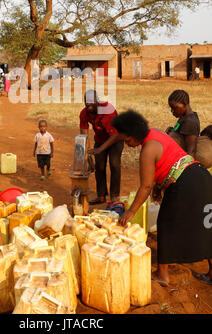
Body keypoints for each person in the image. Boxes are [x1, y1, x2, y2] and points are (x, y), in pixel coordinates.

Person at [113, 110, 212, 287]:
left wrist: (131, 211)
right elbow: (168, 159)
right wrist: (160, 186)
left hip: (185, 184)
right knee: (206, 225)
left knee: (165, 223)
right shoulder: (156, 133)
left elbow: (146, 186)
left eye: (128, 141)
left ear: (135, 135)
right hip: (202, 177)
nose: (127, 145)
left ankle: (162, 274)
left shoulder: (147, 149)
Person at [81, 89, 124, 205]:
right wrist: (87, 155)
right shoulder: (84, 113)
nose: (88, 104)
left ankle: (114, 195)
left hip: (116, 139)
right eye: (86, 101)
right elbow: (84, 135)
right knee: (99, 167)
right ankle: (101, 196)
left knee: (114, 165)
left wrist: (100, 149)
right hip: (100, 140)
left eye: (91, 101)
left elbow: (114, 135)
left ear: (97, 100)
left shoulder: (107, 110)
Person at [167, 89, 200, 157]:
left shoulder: (190, 122)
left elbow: (191, 151)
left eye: (175, 108)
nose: (172, 111)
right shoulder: (184, 117)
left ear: (184, 103)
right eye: (171, 108)